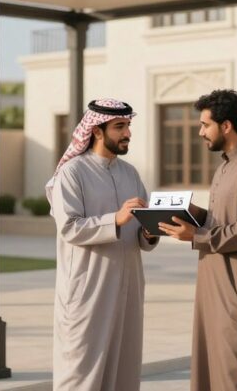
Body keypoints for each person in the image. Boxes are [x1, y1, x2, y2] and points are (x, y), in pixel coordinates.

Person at [159, 89, 237, 391]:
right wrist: (193, 214)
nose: (200, 132)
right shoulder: (226, 165)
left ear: (226, 126)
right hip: (214, 290)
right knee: (212, 375)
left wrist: (196, 235)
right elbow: (223, 220)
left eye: (205, 125)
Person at [46, 98, 159, 391]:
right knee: (81, 371)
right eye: (119, 127)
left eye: (128, 126)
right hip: (88, 288)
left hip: (128, 286)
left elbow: (141, 233)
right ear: (96, 131)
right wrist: (116, 219)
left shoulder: (130, 173)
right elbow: (69, 227)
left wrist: (150, 233)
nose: (127, 134)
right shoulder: (72, 173)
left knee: (124, 367)